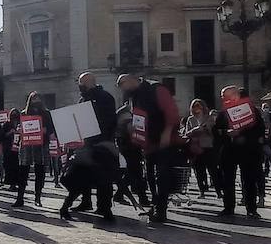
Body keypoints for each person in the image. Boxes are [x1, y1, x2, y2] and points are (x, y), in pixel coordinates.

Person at [117, 74, 180, 224]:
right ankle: (155, 205)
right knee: (150, 175)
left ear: (130, 81)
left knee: (162, 175)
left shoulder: (156, 89)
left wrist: (167, 132)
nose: (123, 91)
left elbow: (172, 113)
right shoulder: (134, 96)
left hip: (163, 140)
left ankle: (161, 210)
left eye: (123, 86)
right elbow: (138, 117)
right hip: (149, 142)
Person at [61, 72, 119, 223]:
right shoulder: (82, 99)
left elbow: (109, 121)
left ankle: (105, 207)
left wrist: (96, 130)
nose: (80, 86)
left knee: (103, 177)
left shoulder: (105, 97)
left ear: (89, 82)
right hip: (85, 144)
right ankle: (86, 202)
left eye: (82, 83)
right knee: (83, 174)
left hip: (102, 144)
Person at [213, 87, 264, 220]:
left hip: (248, 150)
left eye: (225, 96)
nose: (223, 99)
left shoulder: (251, 110)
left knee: (249, 180)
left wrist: (245, 137)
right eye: (222, 96)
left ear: (235, 95)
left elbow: (260, 129)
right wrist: (226, 133)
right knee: (227, 180)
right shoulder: (223, 112)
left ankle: (251, 209)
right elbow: (216, 131)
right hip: (229, 150)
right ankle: (228, 207)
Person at [14, 92, 55, 208]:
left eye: (37, 98)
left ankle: (38, 197)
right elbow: (19, 127)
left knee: (40, 172)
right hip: (27, 145)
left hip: (41, 145)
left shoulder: (46, 114)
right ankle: (20, 198)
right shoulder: (24, 113)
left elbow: (51, 130)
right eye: (33, 99)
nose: (35, 101)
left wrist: (44, 130)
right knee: (23, 172)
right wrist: (20, 129)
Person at [183, 99, 218, 198]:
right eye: (194, 106)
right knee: (199, 171)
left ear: (203, 106)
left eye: (199, 105)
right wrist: (195, 130)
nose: (197, 108)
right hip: (196, 147)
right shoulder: (190, 119)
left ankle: (218, 190)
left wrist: (207, 129)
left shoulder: (209, 118)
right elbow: (186, 134)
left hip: (208, 146)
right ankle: (202, 191)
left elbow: (213, 132)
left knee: (213, 170)